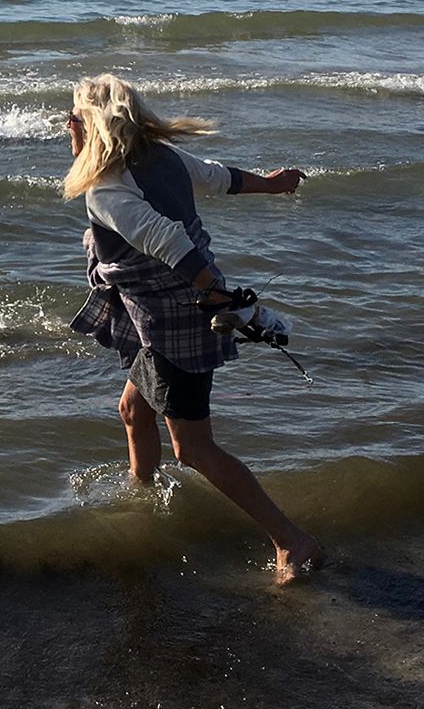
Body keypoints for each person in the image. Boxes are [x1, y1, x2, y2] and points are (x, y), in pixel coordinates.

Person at [63, 73, 324, 583]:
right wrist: (271, 184)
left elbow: (166, 238)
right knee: (133, 410)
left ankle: (292, 541)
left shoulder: (106, 189)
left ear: (90, 124)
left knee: (193, 448)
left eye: (73, 118)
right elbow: (216, 176)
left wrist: (214, 294)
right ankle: (143, 500)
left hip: (176, 319)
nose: (67, 126)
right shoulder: (161, 158)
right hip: (169, 311)